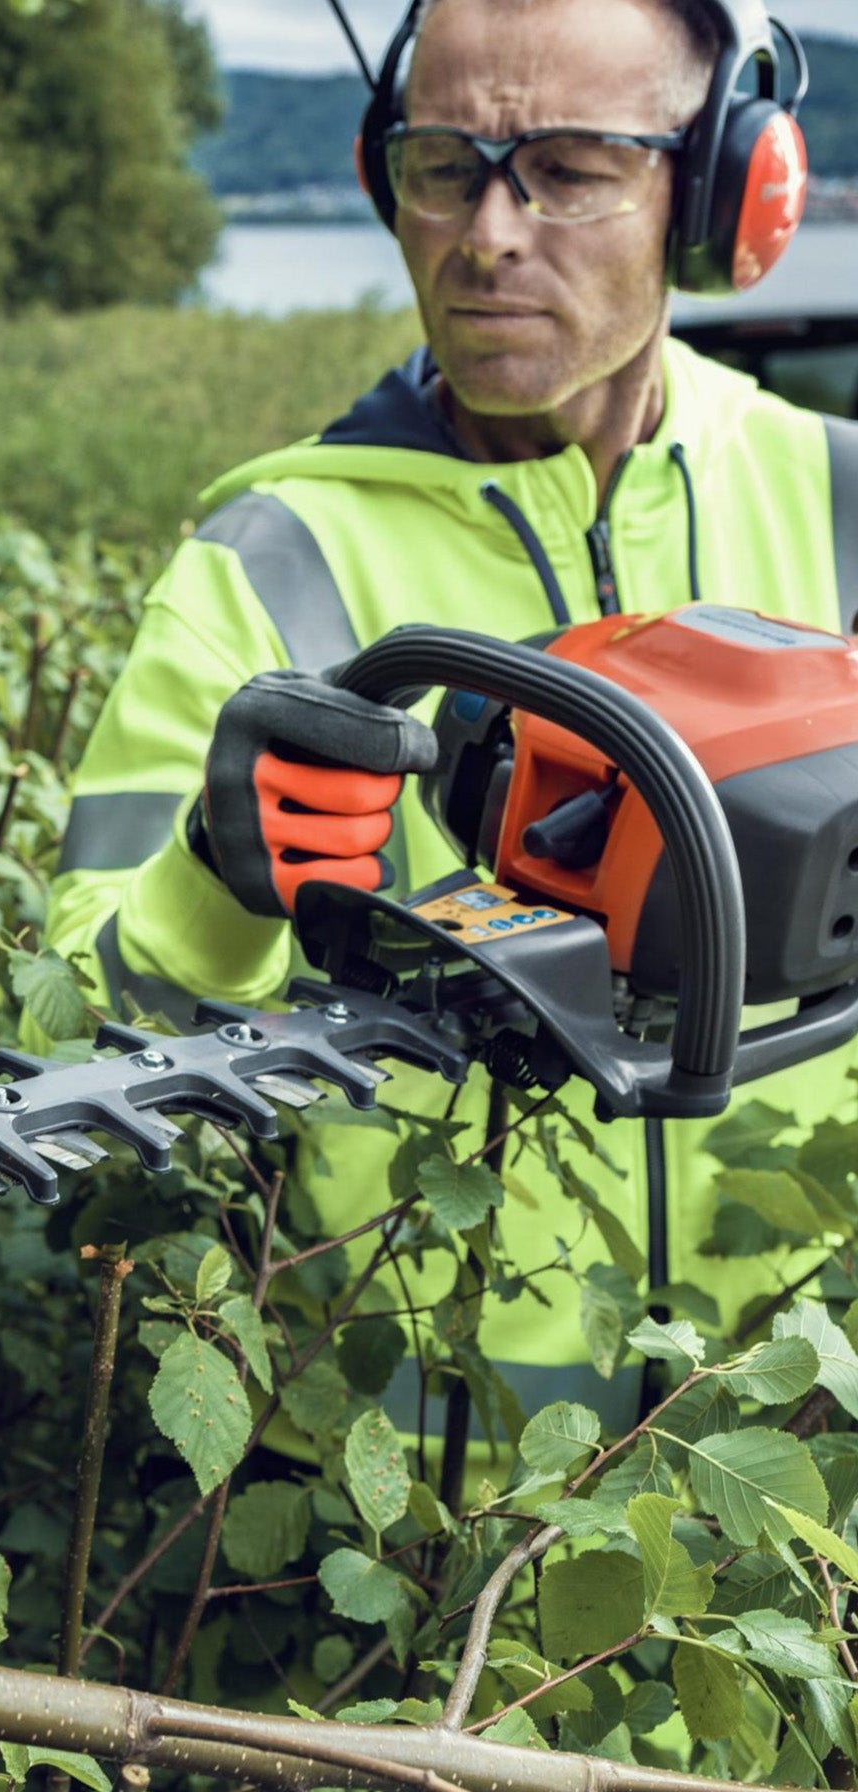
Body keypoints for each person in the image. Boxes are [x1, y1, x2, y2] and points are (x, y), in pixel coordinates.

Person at [48, 0, 858, 1441]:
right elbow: (71, 1027)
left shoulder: (842, 500)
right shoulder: (274, 553)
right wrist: (211, 879)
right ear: (385, 176)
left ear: (718, 188)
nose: (489, 232)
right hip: (399, 1455)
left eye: (569, 166)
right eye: (446, 163)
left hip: (797, 1429)